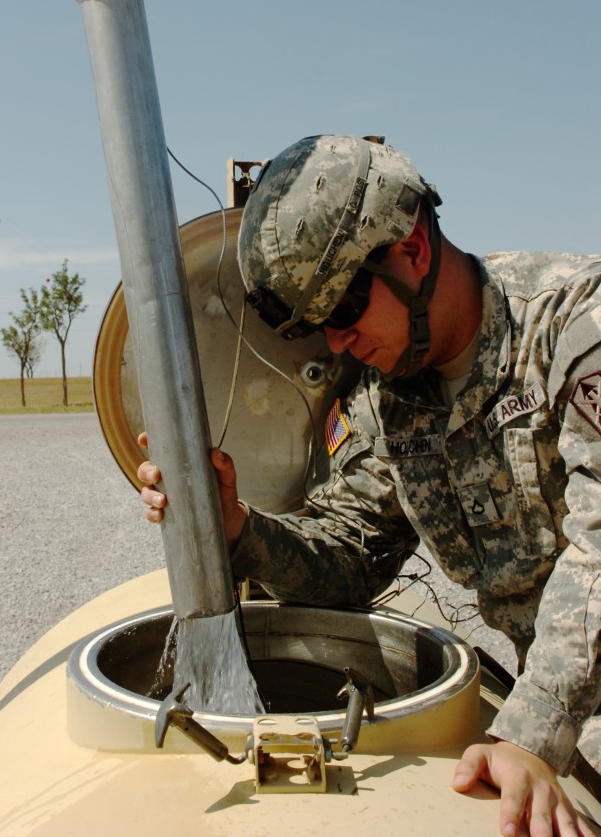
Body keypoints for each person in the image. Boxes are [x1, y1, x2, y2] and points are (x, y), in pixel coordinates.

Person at [138, 134, 601, 837]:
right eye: (313, 325)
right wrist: (234, 524)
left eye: (344, 310)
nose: (334, 345)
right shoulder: (389, 401)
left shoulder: (576, 324)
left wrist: (530, 734)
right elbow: (348, 557)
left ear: (412, 251)